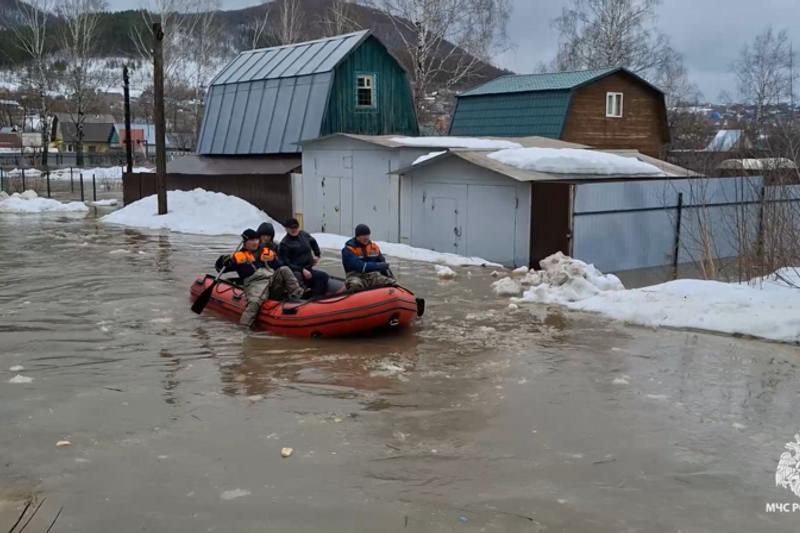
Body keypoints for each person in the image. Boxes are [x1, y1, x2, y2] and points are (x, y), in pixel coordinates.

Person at [231, 228, 304, 328]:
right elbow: (221, 266)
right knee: (254, 302)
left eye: (256, 239)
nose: (255, 242)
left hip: (271, 281)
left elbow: (279, 265)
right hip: (255, 284)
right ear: (245, 242)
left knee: (284, 269)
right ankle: (244, 328)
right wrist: (225, 261)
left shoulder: (266, 252)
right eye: (251, 240)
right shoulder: (238, 256)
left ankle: (298, 295)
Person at [279, 218, 330, 297]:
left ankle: (317, 298)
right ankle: (304, 297)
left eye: (296, 227)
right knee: (298, 276)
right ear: (286, 229)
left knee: (323, 276)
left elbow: (313, 242)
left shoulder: (304, 235)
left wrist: (317, 255)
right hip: (295, 272)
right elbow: (286, 264)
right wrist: (302, 270)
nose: (294, 230)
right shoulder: (284, 244)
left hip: (308, 268)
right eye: (291, 228)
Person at [341, 224, 397, 291]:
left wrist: (390, 276)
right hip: (355, 276)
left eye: (367, 235)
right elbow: (359, 266)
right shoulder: (348, 249)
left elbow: (382, 264)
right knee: (355, 285)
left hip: (373, 275)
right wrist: (377, 266)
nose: (366, 238)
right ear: (357, 236)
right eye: (363, 235)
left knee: (391, 282)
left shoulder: (374, 248)